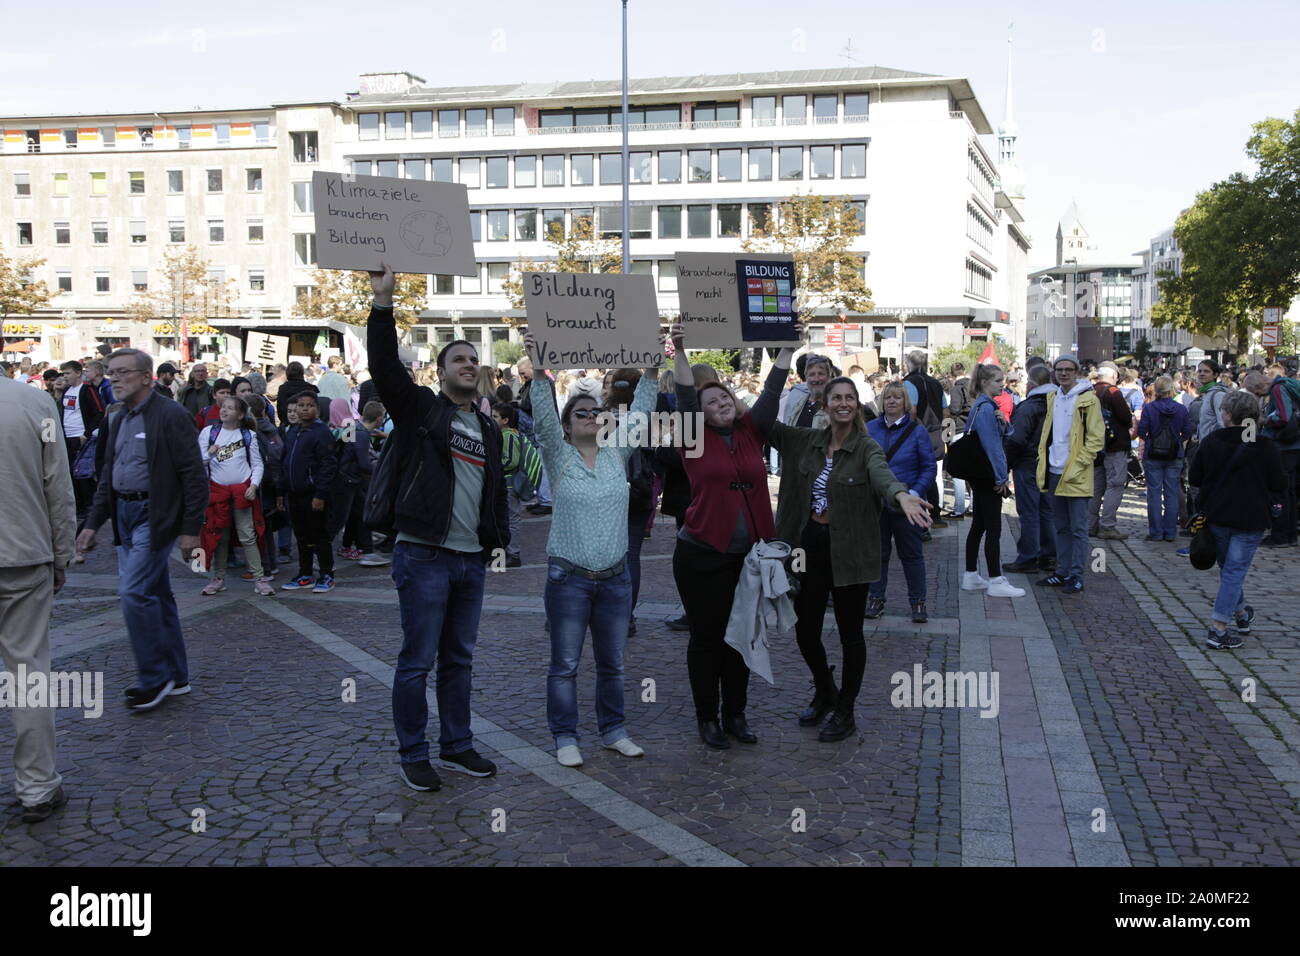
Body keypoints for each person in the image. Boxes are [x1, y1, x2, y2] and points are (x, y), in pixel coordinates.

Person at [368, 263, 507, 792]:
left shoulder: (488, 428)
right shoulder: (421, 410)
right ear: (441, 371)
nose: (469, 365)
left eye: (474, 359)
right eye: (458, 359)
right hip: (423, 554)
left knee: (459, 661)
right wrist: (384, 303)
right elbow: (384, 366)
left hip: (471, 560)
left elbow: (493, 494)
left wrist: (498, 543)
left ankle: (457, 745)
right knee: (416, 661)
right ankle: (413, 752)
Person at [762, 351, 932, 741]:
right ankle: (826, 690)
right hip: (809, 547)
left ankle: (846, 709)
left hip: (851, 549)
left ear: (857, 406)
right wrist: (781, 362)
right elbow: (759, 421)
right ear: (823, 403)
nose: (842, 404)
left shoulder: (867, 447)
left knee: (850, 633)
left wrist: (901, 496)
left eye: (849, 399)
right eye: (836, 398)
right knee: (805, 630)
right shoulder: (804, 441)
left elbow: (882, 476)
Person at [523, 334, 657, 767]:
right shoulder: (559, 457)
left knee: (613, 664)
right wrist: (541, 368)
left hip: (615, 578)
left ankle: (613, 730)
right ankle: (565, 736)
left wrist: (653, 368)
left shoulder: (618, 453)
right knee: (564, 665)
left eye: (596, 411)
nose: (591, 416)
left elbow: (641, 412)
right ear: (567, 425)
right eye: (581, 412)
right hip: (569, 580)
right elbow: (542, 415)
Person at [77, 348, 208, 711]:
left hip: (155, 514)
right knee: (157, 594)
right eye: (111, 372)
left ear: (146, 377)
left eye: (123, 372)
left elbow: (193, 475)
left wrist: (190, 528)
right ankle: (176, 676)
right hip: (124, 513)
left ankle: (154, 678)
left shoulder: (171, 415)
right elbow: (108, 475)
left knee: (134, 592)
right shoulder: (117, 418)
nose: (115, 378)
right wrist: (92, 524)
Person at [0, 337, 76, 821]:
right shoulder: (32, 401)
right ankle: (36, 786)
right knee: (28, 674)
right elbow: (58, 486)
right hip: (22, 552)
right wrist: (62, 554)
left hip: (23, 551)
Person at [1189, 390, 1286, 648]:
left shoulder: (1213, 441)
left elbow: (1195, 478)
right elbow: (1279, 482)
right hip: (1250, 518)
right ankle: (1219, 627)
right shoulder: (1264, 445)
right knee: (1233, 571)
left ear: (1228, 414)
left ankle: (1240, 615)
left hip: (1218, 515)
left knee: (1230, 570)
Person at [865, 382, 935, 623]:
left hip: (909, 504)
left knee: (912, 556)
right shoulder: (869, 428)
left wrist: (914, 493)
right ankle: (876, 598)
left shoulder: (917, 432)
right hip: (877, 504)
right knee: (878, 554)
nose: (892, 402)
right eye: (887, 398)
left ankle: (918, 602)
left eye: (897, 398)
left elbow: (928, 467)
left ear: (906, 403)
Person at [1035, 353, 1104, 594]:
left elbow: (1096, 438)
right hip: (1053, 469)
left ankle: (1076, 574)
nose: (1063, 373)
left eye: (1068, 369)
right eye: (1059, 369)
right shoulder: (1053, 396)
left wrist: (1080, 462)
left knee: (1078, 527)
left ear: (1076, 372)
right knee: (1060, 526)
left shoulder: (1088, 400)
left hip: (1076, 472)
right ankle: (1062, 571)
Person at [197, 395, 273, 596]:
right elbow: (198, 462)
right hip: (217, 492)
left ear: (240, 415)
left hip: (242, 493)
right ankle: (218, 577)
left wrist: (254, 485)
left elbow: (257, 464)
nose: (224, 410)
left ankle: (259, 578)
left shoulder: (249, 435)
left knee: (248, 535)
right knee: (218, 535)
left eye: (230, 408)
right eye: (224, 407)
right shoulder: (208, 433)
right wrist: (210, 454)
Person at [960, 364, 1025, 597]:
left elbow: (1004, 436)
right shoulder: (985, 408)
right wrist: (1001, 478)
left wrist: (1004, 424)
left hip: (980, 475)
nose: (1002, 384)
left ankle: (971, 575)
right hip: (988, 475)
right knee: (993, 528)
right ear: (985, 382)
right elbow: (993, 447)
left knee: (979, 525)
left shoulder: (984, 407)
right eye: (998, 381)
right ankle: (995, 580)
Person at [278, 392, 338, 593]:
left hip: (313, 494)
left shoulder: (321, 432)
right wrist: (281, 490)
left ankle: (326, 574)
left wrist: (320, 494)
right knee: (302, 536)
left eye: (309, 405)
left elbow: (328, 465)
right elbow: (284, 461)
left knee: (319, 535)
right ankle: (305, 573)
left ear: (317, 409)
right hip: (294, 493)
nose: (304, 409)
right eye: (301, 405)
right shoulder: (292, 431)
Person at [1004, 365, 1056, 573]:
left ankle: (1028, 556)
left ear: (1032, 384)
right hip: (1051, 463)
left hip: (1028, 463)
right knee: (1047, 511)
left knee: (1029, 512)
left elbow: (1016, 440)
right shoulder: (1057, 404)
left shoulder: (1029, 406)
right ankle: (1049, 555)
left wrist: (1007, 465)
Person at [1243, 370, 1300, 547]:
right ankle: (1289, 534)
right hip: (1294, 445)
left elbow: (1283, 416)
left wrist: (1264, 420)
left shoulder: (1277, 389)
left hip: (1284, 446)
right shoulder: (1287, 385)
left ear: (1257, 387)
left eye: (1254, 392)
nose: (1256, 395)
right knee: (1289, 492)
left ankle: (1280, 534)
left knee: (1279, 492)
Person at [1136, 375, 1193, 542]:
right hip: (1174, 455)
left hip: (1153, 454)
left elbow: (1142, 431)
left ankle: (1156, 532)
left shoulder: (1150, 408)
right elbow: (1188, 431)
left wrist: (1152, 440)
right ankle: (1169, 532)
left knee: (1154, 493)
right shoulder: (1181, 409)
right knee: (1172, 492)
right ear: (1171, 390)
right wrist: (1176, 440)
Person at [58, 360, 106, 530]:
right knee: (71, 472)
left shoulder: (87, 389)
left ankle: (89, 507)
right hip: (67, 436)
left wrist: (86, 434)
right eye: (63, 374)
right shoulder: (66, 391)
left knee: (83, 472)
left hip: (81, 436)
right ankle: (78, 506)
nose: (65, 377)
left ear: (78, 373)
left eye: (68, 373)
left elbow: (99, 411)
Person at [1088, 364, 1134, 540]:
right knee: (1115, 484)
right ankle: (1107, 526)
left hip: (1095, 445)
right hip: (1114, 445)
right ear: (1113, 375)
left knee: (1096, 486)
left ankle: (1090, 524)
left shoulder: (1090, 391)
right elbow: (1125, 417)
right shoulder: (1113, 392)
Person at [903, 351, 948, 528]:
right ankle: (936, 515)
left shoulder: (909, 382)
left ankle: (919, 519)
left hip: (919, 434)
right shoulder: (936, 383)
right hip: (936, 435)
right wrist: (946, 436)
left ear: (908, 364)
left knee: (918, 476)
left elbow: (912, 411)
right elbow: (946, 412)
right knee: (931, 476)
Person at [944, 362, 973, 519]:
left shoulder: (956, 388)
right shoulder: (974, 386)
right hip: (974, 430)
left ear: (952, 374)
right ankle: (974, 506)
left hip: (959, 429)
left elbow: (954, 409)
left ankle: (959, 508)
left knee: (957, 471)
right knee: (972, 470)